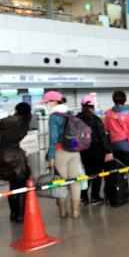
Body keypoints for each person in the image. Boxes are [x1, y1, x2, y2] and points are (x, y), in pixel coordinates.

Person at [0, 103, 31, 223]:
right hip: (16, 157)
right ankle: (20, 215)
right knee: (21, 187)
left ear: (16, 110)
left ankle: (13, 214)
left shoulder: (4, 121)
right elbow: (10, 140)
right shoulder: (23, 123)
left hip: (4, 157)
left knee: (12, 186)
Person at [43, 91, 84, 219]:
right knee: (75, 180)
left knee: (61, 181)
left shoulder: (54, 116)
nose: (47, 104)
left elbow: (53, 138)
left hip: (61, 151)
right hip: (74, 150)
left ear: (55, 101)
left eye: (48, 101)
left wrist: (50, 157)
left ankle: (63, 211)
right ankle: (76, 211)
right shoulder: (71, 113)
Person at [77, 95, 113, 205]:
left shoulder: (76, 118)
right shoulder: (96, 119)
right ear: (93, 106)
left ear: (82, 105)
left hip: (83, 151)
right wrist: (108, 151)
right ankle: (95, 197)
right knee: (97, 173)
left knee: (86, 173)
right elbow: (102, 136)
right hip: (97, 150)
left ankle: (83, 197)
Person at [104, 90, 129, 166]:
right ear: (124, 100)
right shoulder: (128, 113)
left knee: (118, 169)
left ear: (114, 100)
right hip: (126, 145)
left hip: (114, 145)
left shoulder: (108, 113)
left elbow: (106, 129)